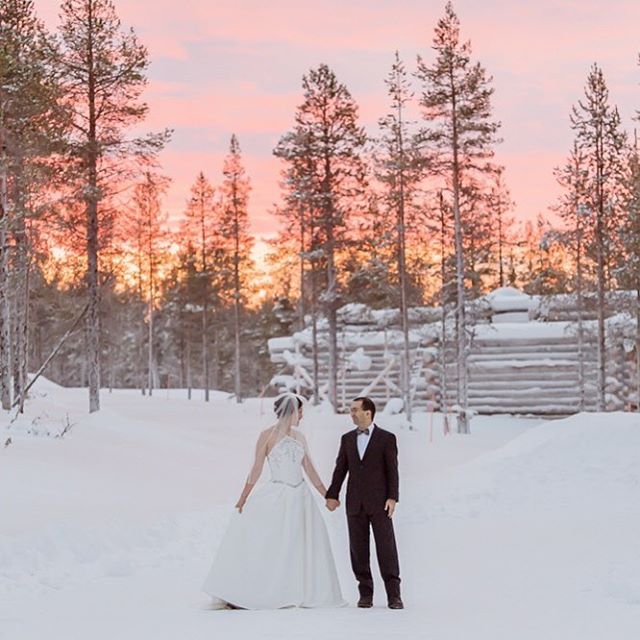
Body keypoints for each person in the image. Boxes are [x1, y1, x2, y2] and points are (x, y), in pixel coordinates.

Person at [202, 392, 345, 609]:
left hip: (301, 497)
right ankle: (262, 590)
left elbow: (310, 470)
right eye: (300, 411)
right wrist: (243, 498)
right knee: (272, 543)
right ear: (291, 411)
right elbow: (256, 469)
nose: (302, 415)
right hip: (278, 495)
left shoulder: (299, 437)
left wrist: (328, 496)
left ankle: (301, 590)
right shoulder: (266, 436)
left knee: (301, 545)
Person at [325, 396, 403, 609]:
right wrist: (332, 494)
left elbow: (392, 471)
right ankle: (365, 593)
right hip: (355, 503)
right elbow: (340, 469)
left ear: (368, 412)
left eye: (355, 409)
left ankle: (394, 595)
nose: (351, 413)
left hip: (380, 503)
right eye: (351, 410)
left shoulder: (387, 438)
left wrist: (392, 497)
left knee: (386, 548)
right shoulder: (347, 439)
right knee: (358, 550)